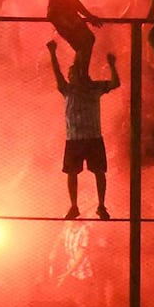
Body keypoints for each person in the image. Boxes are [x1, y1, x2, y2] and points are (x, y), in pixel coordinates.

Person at [47, 40, 119, 220]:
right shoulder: (67, 90)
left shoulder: (93, 88)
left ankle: (101, 206)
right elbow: (57, 73)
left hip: (92, 137)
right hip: (75, 138)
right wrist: (53, 53)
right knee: (72, 173)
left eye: (75, 73)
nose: (71, 75)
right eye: (71, 73)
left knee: (99, 172)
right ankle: (74, 206)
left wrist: (112, 65)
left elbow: (115, 83)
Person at [50, 220, 100, 307]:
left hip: (83, 275)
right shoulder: (67, 228)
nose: (66, 220)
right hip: (69, 275)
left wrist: (65, 275)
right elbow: (58, 239)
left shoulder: (85, 231)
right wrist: (53, 254)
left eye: (69, 218)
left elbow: (80, 256)